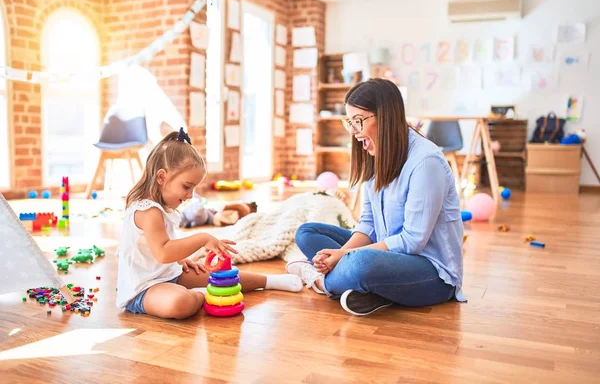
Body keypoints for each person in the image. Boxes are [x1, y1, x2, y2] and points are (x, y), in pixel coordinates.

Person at [287, 79, 466, 316]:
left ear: (386, 117)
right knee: (307, 233)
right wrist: (342, 254)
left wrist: (347, 256)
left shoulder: (426, 162)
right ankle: (373, 290)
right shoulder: (376, 153)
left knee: (361, 264)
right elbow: (369, 223)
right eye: (349, 122)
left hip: (431, 273)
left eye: (358, 121)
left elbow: (412, 241)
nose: (352, 130)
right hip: (386, 256)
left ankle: (321, 282)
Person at [116, 128, 302, 319]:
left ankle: (270, 281)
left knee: (223, 276)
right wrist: (202, 238)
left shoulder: (161, 208)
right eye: (186, 187)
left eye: (193, 189)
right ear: (162, 177)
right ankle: (203, 294)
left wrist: (180, 260)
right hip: (143, 288)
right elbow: (163, 251)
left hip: (168, 274)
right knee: (179, 304)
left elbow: (154, 248)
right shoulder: (148, 211)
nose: (190, 195)